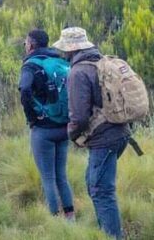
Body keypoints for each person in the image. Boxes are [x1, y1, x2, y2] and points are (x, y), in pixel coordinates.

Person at [53, 27, 130, 239]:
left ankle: (112, 236)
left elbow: (78, 116)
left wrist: (71, 134)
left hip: (104, 138)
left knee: (101, 191)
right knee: (93, 183)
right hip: (120, 133)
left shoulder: (78, 72)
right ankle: (104, 232)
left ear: (69, 50)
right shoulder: (101, 62)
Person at [19, 29, 74, 219]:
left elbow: (25, 90)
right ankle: (70, 217)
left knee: (48, 178)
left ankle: (54, 219)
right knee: (61, 175)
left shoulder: (30, 66)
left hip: (43, 129)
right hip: (64, 127)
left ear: (32, 44)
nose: (25, 46)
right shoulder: (61, 61)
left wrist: (32, 119)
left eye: (26, 42)